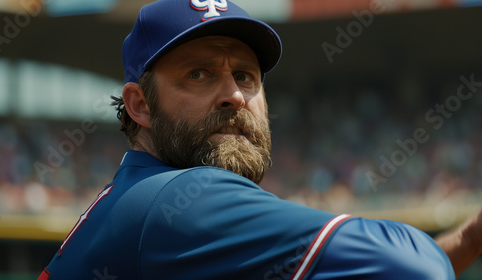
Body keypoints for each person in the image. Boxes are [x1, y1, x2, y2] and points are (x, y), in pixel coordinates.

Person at [39, 0, 482, 279]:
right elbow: (413, 270)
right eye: (199, 74)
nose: (234, 94)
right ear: (140, 107)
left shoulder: (134, 199)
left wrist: (467, 241)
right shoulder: (177, 198)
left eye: (245, 76)